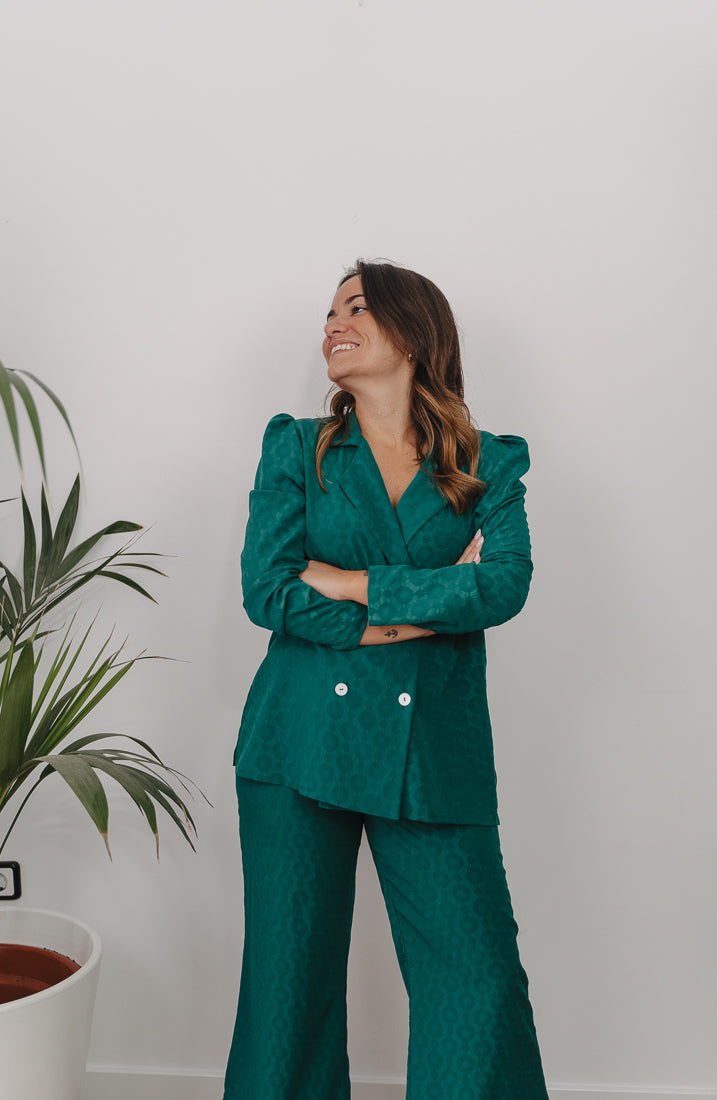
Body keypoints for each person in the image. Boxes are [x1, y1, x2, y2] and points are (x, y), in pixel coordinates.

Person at [223, 260, 548, 1099]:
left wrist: (349, 582)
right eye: (329, 312)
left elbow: (503, 586)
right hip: (297, 739)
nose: (333, 323)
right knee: (287, 983)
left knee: (475, 979)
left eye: (357, 307)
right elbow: (268, 589)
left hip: (433, 747)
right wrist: (418, 611)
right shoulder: (297, 448)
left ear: (411, 333)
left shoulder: (486, 462)